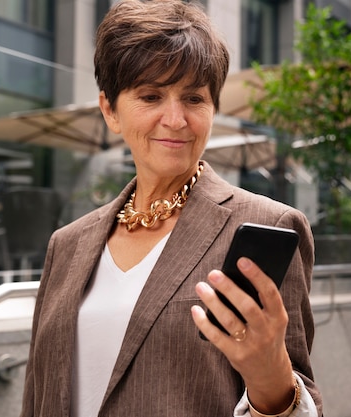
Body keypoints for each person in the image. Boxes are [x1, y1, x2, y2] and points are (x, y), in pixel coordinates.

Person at [20, 1, 323, 416]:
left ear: (212, 109)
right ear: (110, 110)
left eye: (194, 98)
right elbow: (37, 395)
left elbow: (304, 400)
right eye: (150, 95)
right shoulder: (67, 245)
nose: (176, 119)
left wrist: (271, 379)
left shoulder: (266, 225)